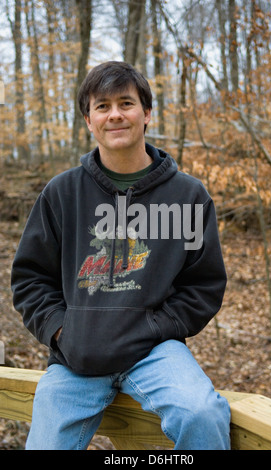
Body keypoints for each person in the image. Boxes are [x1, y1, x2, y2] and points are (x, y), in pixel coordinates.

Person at [11, 61, 230, 450]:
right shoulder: (61, 194)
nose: (115, 114)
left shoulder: (188, 197)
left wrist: (152, 328)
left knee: (203, 414)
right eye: (102, 106)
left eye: (126, 103)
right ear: (88, 120)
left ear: (146, 114)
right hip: (76, 358)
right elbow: (30, 278)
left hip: (156, 351)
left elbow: (203, 285)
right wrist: (63, 330)